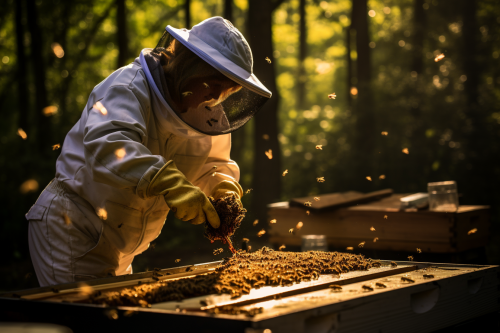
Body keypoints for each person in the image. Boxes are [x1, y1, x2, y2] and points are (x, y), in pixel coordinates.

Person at [26, 17, 271, 287]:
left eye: (227, 89)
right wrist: (166, 181)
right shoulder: (128, 86)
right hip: (74, 228)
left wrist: (222, 188)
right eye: (213, 83)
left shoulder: (208, 115)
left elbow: (212, 164)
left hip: (121, 242)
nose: (216, 97)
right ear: (191, 67)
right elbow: (108, 144)